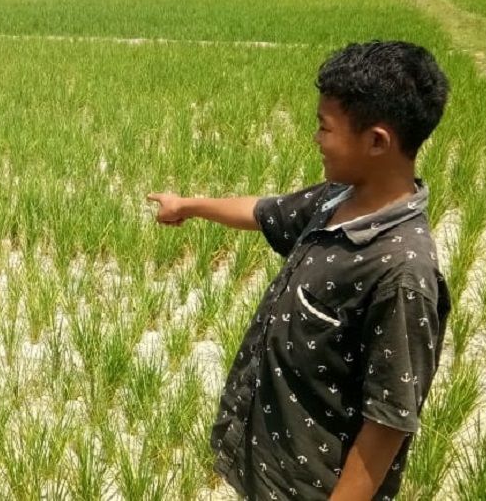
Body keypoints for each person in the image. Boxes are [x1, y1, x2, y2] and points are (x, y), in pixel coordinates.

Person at [146, 40, 451, 500]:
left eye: (324, 128)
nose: (316, 139)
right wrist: (187, 205)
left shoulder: (402, 272)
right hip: (268, 463)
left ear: (376, 141)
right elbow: (266, 212)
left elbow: (387, 423)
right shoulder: (336, 200)